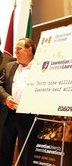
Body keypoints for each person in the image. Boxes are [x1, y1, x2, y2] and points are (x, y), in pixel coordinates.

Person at [0, 38, 41, 166]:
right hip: (9, 115)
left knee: (25, 154)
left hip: (29, 117)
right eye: (15, 49)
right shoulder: (10, 66)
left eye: (19, 49)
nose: (15, 52)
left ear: (30, 50)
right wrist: (6, 98)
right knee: (4, 152)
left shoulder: (40, 68)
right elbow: (0, 86)